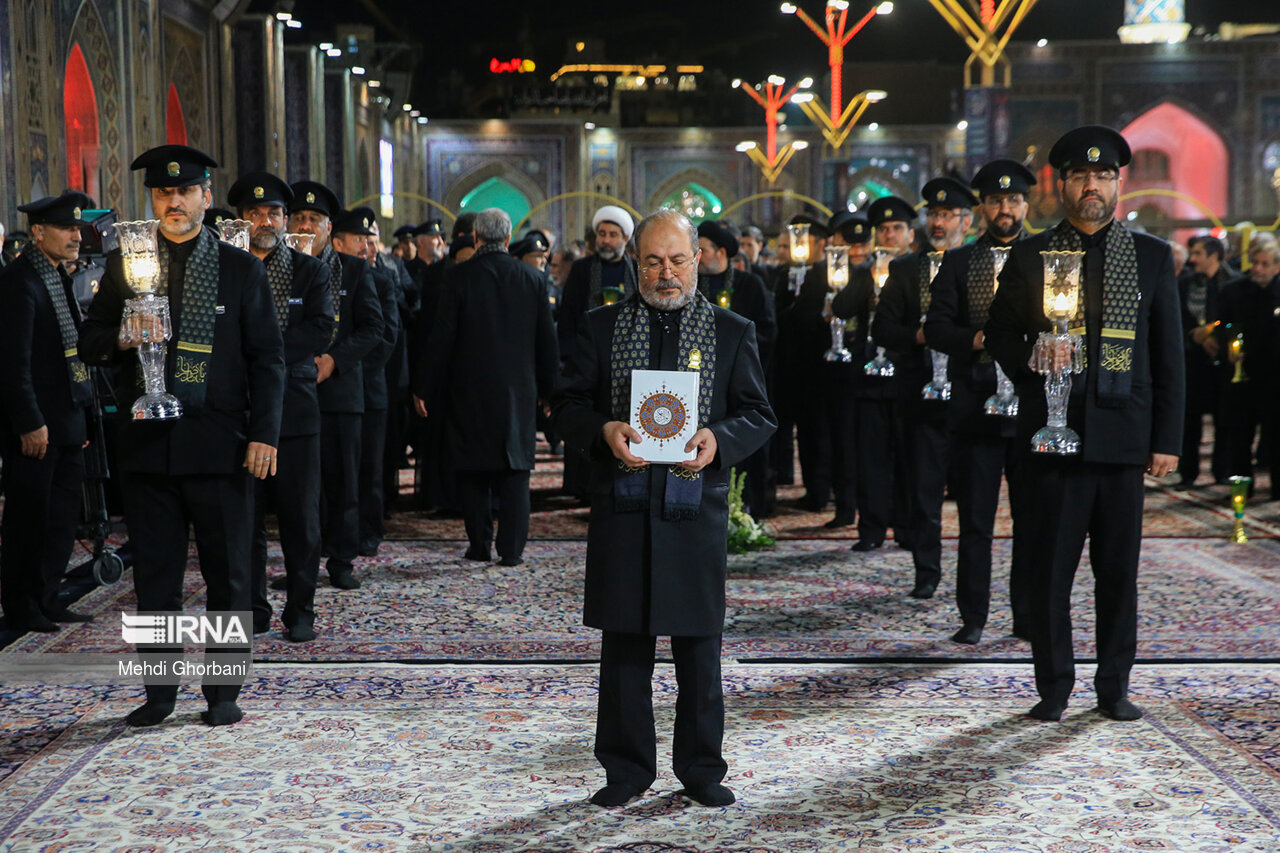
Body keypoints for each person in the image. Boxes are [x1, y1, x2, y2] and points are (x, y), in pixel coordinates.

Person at [551, 208, 775, 808]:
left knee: (699, 648)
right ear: (635, 262)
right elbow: (567, 404)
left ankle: (701, 768)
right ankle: (625, 771)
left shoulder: (733, 332)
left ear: (697, 260)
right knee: (624, 646)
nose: (666, 273)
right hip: (622, 510)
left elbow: (759, 414)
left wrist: (717, 441)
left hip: (693, 513)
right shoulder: (600, 328)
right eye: (653, 260)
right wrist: (601, 430)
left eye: (678, 260)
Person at [78, 144, 285, 727]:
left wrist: (265, 435)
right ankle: (160, 692)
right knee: (157, 580)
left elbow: (268, 361)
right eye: (163, 193)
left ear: (205, 198)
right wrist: (123, 335)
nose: (174, 201)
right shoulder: (126, 266)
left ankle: (222, 693)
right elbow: (89, 344)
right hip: (148, 448)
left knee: (227, 575)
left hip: (222, 445)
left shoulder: (240, 269)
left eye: (184, 192)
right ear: (154, 201)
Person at [985, 125, 1184, 722]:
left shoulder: (1151, 257)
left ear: (1118, 184)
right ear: (1062, 185)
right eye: (1080, 176)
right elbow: (997, 331)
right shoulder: (1031, 254)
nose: (1091, 186)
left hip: (1124, 439)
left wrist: (1167, 440)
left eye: (1102, 177)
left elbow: (1168, 353)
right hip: (1052, 438)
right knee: (1049, 573)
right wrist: (1030, 357)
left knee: (1118, 574)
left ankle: (1113, 685)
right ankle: (1054, 687)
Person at [925, 159, 1036, 643]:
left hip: (1035, 408)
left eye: (1013, 200)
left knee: (1033, 521)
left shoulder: (1046, 257)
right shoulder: (958, 262)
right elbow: (937, 328)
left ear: (1026, 205)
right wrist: (980, 340)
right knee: (975, 521)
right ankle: (973, 616)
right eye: (995, 200)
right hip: (975, 408)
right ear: (983, 208)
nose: (1005, 208)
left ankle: (1029, 617)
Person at [415, 208, 558, 565]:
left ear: (476, 238)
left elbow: (441, 338)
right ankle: (511, 550)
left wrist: (424, 387)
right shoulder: (532, 278)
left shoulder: (458, 277)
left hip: (469, 391)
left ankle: (479, 545)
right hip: (518, 392)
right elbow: (547, 342)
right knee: (515, 472)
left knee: (474, 471)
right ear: (508, 240)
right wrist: (550, 390)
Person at [229, 172, 334, 643]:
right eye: (254, 213)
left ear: (286, 219)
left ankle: (301, 609)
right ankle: (253, 607)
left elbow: (319, 331)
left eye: (273, 212)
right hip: (240, 414)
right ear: (240, 220)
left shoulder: (310, 271)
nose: (264, 220)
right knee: (244, 520)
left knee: (300, 519)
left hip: (295, 414)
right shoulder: (225, 271)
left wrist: (263, 352)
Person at [874, 178, 976, 599]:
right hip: (919, 392)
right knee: (923, 489)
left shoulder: (980, 265)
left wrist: (951, 336)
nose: (938, 222)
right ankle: (927, 570)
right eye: (933, 214)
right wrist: (921, 336)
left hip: (970, 390)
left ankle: (974, 580)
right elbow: (883, 328)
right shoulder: (904, 268)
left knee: (972, 493)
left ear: (966, 222)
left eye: (947, 215)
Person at [0, 191, 95, 632]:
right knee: (28, 520)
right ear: (38, 232)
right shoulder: (21, 281)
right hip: (36, 425)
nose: (76, 236)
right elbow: (13, 364)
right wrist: (29, 422)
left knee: (61, 519)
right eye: (66, 228)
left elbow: (73, 350)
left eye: (77, 228)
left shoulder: (57, 276)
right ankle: (21, 604)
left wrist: (80, 417)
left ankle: (48, 596)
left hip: (67, 419)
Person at [288, 183, 385, 590]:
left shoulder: (355, 269)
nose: (307, 226)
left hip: (341, 394)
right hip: (293, 392)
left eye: (315, 220)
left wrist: (334, 360)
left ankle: (342, 560)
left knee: (343, 481)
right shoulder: (279, 269)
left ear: (329, 228)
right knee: (302, 490)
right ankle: (303, 566)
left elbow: (373, 328)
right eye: (299, 219)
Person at [832, 195, 917, 551]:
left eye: (897, 228)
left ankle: (909, 527)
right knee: (870, 456)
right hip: (868, 376)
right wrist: (865, 275)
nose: (890, 234)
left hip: (909, 374)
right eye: (883, 229)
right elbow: (840, 306)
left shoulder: (920, 268)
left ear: (911, 234)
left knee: (909, 456)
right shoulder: (864, 270)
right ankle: (871, 529)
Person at [349, 208, 401, 556]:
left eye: (371, 242)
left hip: (369, 388)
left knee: (370, 466)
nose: (367, 248)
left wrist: (351, 370)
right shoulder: (329, 276)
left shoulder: (383, 281)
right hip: (334, 389)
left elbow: (387, 335)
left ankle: (369, 530)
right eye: (361, 241)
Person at [1213, 234, 1280, 498]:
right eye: (1255, 263)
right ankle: (1242, 485)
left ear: (1277, 266)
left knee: (1276, 435)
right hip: (1242, 376)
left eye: (1265, 264)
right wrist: (1229, 343)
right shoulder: (1234, 291)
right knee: (1239, 435)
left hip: (1276, 377)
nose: (1258, 269)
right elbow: (1222, 325)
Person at [1179, 235, 1234, 487]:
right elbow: (1179, 319)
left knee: (1225, 418)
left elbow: (1236, 317)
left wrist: (1214, 331)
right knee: (1190, 420)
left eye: (1198, 254)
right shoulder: (1186, 284)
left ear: (1213, 256)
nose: (1192, 260)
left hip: (1225, 360)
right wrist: (1197, 336)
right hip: (1193, 359)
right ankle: (1188, 473)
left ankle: (1221, 470)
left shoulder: (1234, 283)